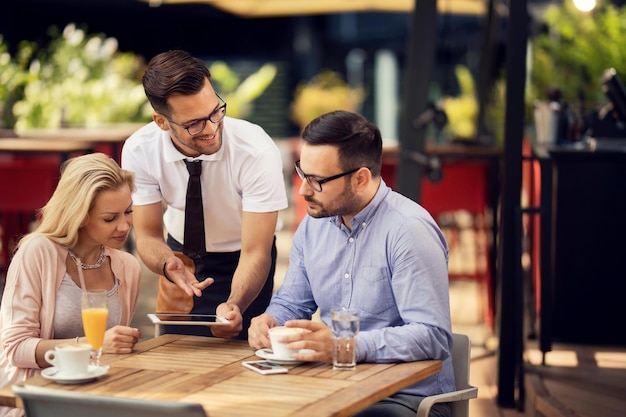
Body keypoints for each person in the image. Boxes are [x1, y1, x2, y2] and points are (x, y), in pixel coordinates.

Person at [248, 111, 456, 417]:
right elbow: (293, 301)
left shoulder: (408, 230)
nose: (304, 189)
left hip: (404, 399)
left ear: (360, 178)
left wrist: (344, 346)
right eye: (302, 173)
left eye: (317, 180)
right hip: (333, 386)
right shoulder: (313, 225)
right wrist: (270, 321)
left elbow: (432, 336)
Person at [121, 49, 288, 340]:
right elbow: (147, 237)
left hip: (245, 258)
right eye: (194, 123)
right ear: (161, 122)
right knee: (175, 358)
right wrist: (168, 265)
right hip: (179, 257)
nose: (212, 128)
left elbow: (256, 251)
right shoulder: (140, 150)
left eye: (215, 111)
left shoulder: (255, 150)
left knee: (242, 363)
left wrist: (235, 304)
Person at [0, 153, 143, 414]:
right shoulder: (38, 252)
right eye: (110, 218)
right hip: (36, 402)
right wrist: (92, 345)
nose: (124, 226)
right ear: (80, 214)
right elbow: (15, 349)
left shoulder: (127, 267)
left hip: (97, 401)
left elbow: (111, 355)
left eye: (129, 211)